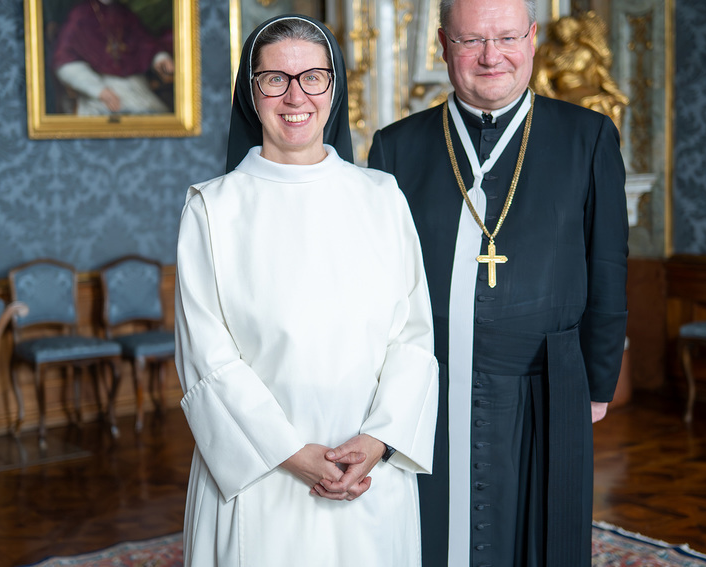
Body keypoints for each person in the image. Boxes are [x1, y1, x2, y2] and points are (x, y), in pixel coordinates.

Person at [365, 0, 628, 565]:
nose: (491, 57)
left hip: (549, 383)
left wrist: (598, 381)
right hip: (429, 387)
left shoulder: (588, 138)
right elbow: (376, 286)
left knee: (545, 540)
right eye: (470, 42)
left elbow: (607, 265)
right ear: (443, 45)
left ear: (532, 39)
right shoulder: (396, 147)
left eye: (506, 38)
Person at [174, 14, 439, 567]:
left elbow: (412, 336)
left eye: (312, 77)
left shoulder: (382, 197)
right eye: (275, 78)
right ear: (252, 93)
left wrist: (379, 442)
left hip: (369, 473)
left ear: (334, 87)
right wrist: (291, 454)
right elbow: (207, 358)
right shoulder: (212, 209)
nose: (295, 95)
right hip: (259, 476)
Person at [50, 0, 174, 115]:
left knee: (159, 117)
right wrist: (99, 90)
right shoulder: (80, 15)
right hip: (101, 94)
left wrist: (160, 58)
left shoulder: (124, 13)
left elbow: (145, 42)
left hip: (137, 87)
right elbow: (65, 63)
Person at [532, 11, 630, 136]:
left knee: (613, 107)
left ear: (575, 30)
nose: (562, 31)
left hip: (587, 90)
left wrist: (617, 93)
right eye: (560, 27)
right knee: (590, 108)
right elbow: (541, 79)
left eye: (566, 27)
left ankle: (610, 145)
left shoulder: (585, 52)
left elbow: (602, 74)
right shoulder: (550, 52)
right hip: (568, 93)